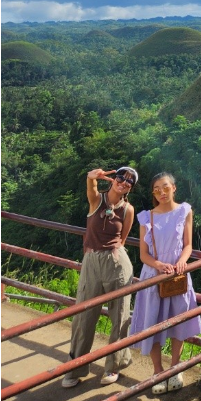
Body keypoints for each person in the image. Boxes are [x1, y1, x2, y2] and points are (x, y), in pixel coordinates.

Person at [62, 166, 137, 388]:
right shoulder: (97, 200)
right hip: (92, 261)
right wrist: (91, 177)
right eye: (121, 177)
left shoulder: (127, 209)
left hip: (117, 263)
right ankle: (74, 368)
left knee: (120, 315)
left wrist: (112, 255)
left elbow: (122, 239)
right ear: (113, 178)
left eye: (129, 181)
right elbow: (91, 188)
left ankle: (113, 366)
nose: (123, 182)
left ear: (130, 188)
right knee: (83, 315)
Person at [129, 172, 201, 394]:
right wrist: (159, 265)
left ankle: (175, 367)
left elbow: (188, 245)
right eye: (157, 189)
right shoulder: (146, 217)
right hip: (154, 275)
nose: (161, 192)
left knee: (178, 320)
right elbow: (143, 254)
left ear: (174, 188)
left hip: (178, 275)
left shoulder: (185, 211)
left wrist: (181, 262)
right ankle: (158, 371)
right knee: (153, 321)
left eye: (165, 187)